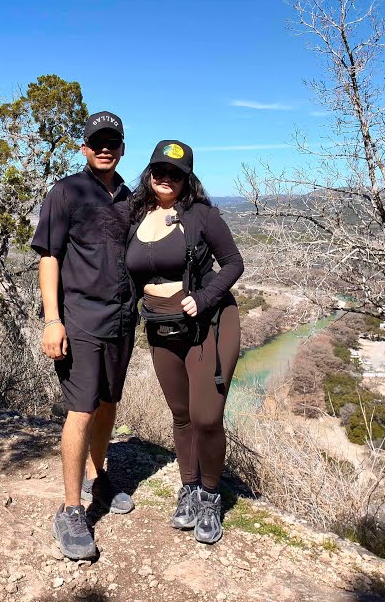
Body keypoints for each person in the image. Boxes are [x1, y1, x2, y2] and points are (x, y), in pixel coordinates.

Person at [31, 110, 138, 560]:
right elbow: (49, 256)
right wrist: (52, 319)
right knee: (81, 408)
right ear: (84, 147)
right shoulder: (66, 191)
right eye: (96, 141)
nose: (104, 147)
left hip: (122, 320)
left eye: (112, 140)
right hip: (79, 319)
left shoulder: (130, 198)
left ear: (122, 147)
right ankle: (71, 509)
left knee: (109, 402)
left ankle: (101, 475)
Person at [126, 140, 243, 544]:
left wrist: (205, 297)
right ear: (149, 173)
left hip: (208, 323)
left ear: (187, 178)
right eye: (159, 171)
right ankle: (189, 488)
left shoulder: (202, 216)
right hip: (161, 328)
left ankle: (211, 496)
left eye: (175, 173)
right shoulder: (136, 215)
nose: (165, 178)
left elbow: (233, 263)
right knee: (181, 416)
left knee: (207, 416)